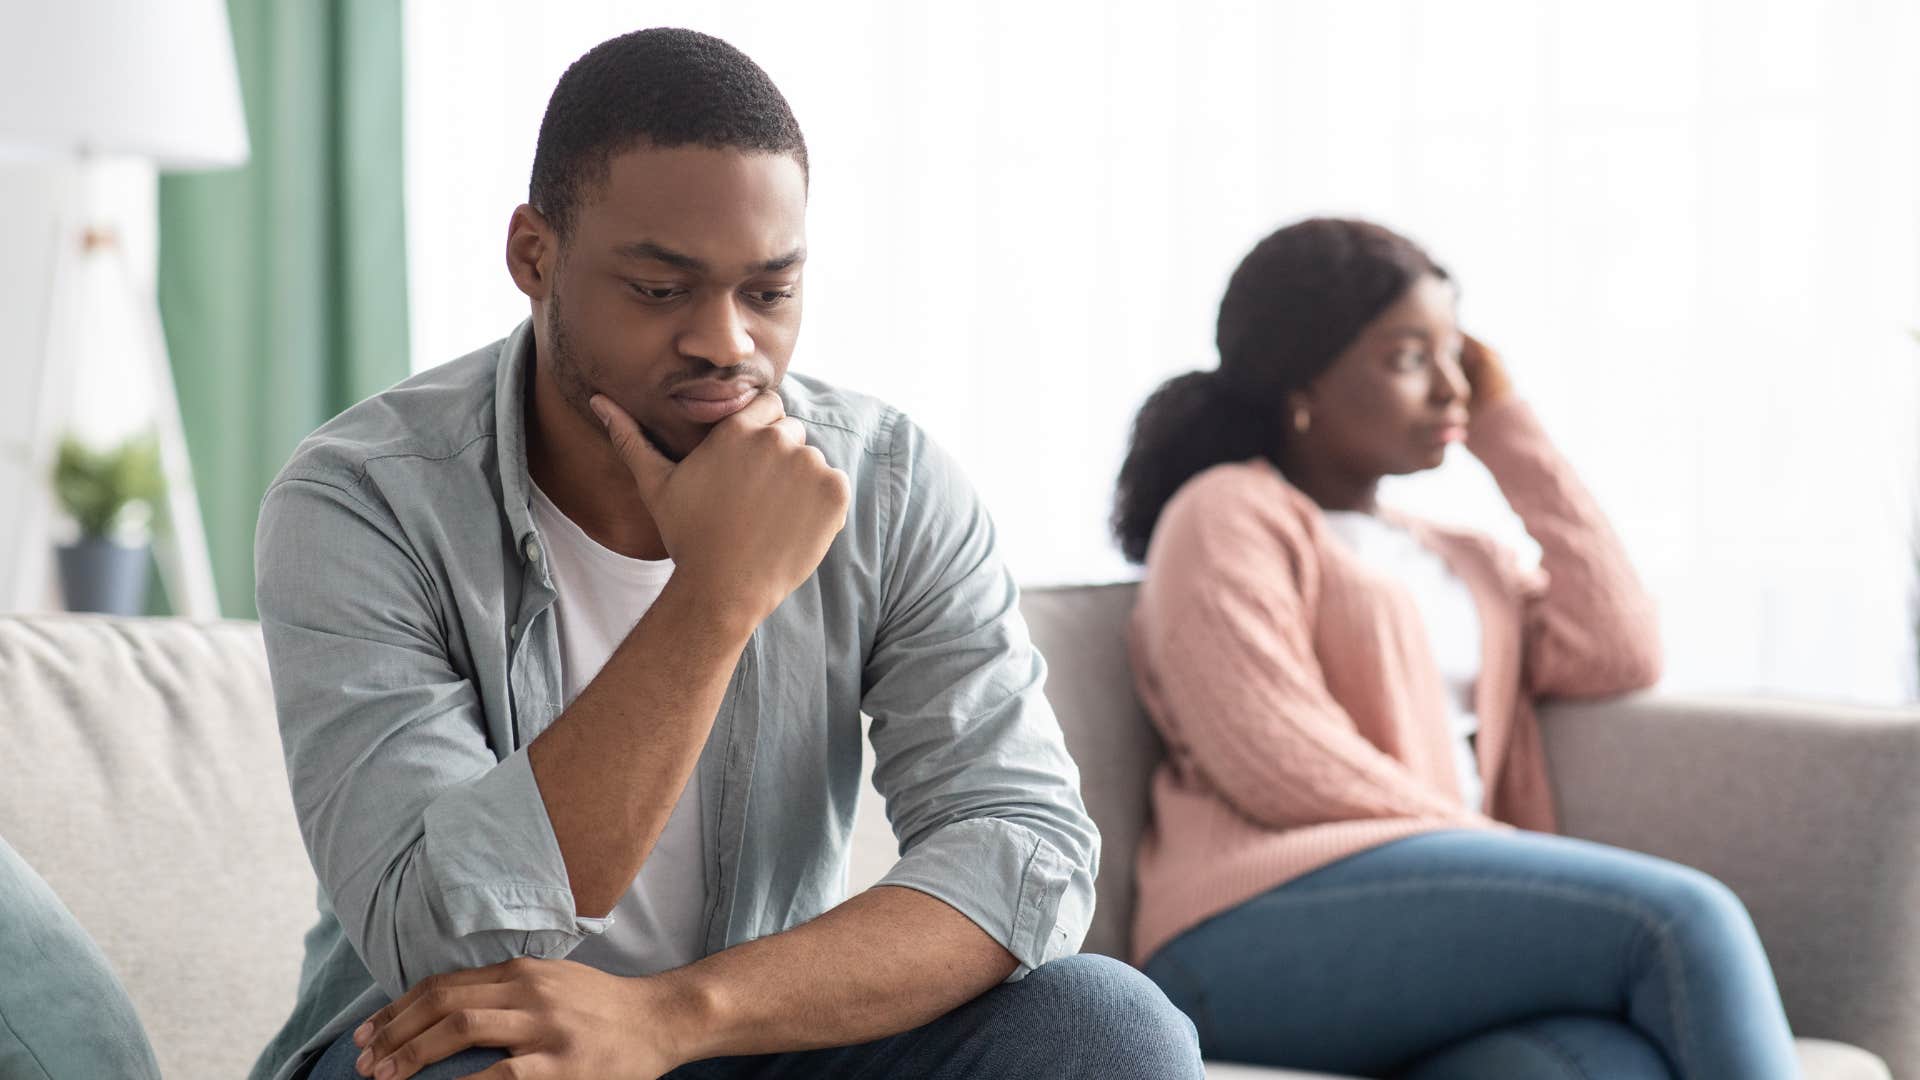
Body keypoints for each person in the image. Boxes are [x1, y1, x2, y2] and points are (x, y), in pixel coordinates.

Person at [250, 28, 1201, 1080]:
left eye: (768, 293)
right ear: (534, 255)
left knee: (1107, 1026)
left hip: (746, 1035)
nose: (726, 343)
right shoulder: (365, 499)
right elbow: (452, 941)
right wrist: (716, 596)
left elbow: (1026, 852)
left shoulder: (887, 484)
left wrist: (672, 1018)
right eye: (662, 291)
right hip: (454, 1039)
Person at [1113, 217, 1801, 1079]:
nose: (1451, 389)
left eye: (1458, 358)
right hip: (1241, 929)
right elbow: (1275, 759)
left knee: (1599, 1062)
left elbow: (1619, 648)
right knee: (1684, 920)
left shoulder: (1457, 556)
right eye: (1409, 358)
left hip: (1418, 930)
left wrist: (1507, 426)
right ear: (1303, 382)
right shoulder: (1225, 514)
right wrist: (1501, 856)